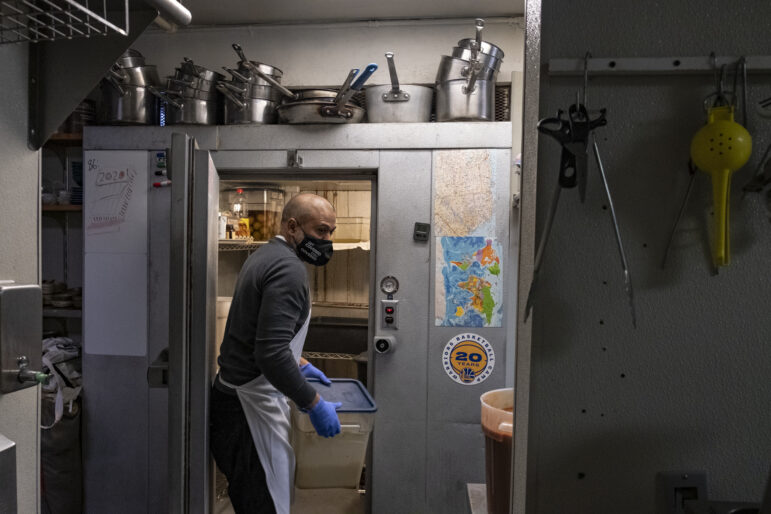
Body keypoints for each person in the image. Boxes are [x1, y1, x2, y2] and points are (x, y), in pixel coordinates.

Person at [210, 193, 342, 514]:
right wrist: (313, 403)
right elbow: (269, 353)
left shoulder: (265, 255)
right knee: (266, 507)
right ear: (293, 226)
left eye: (331, 233)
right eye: (321, 231)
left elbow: (259, 333)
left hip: (235, 401)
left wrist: (301, 364)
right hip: (249, 410)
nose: (327, 242)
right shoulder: (289, 270)